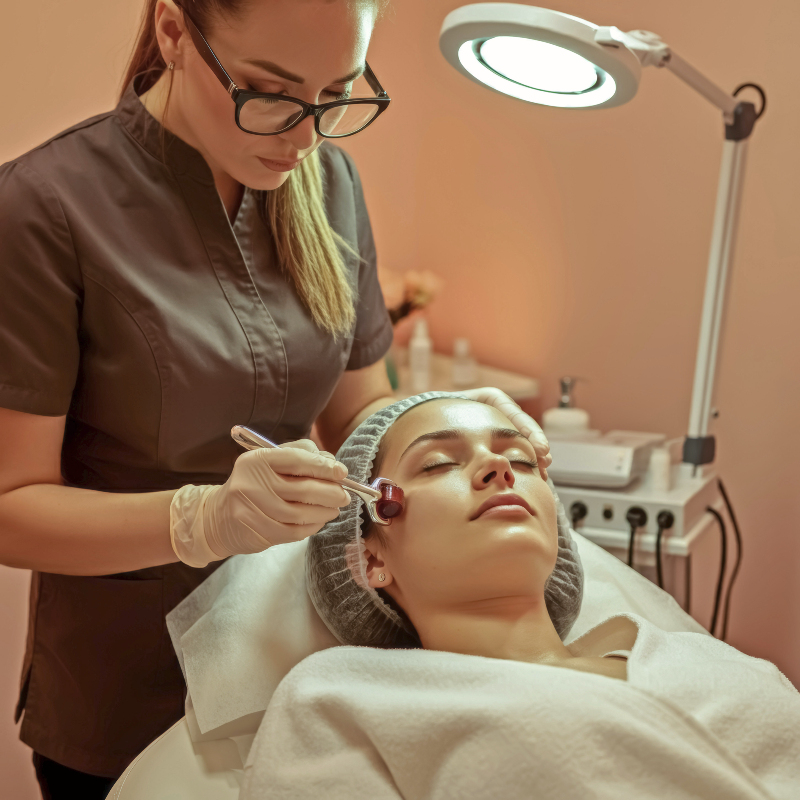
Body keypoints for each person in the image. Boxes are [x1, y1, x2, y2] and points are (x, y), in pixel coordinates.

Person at [0, 2, 553, 796]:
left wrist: (458, 428)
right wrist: (204, 519)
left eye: (337, 94)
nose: (304, 136)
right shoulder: (45, 209)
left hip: (302, 673)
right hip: (126, 703)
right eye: (271, 92)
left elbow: (361, 415)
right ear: (172, 31)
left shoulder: (326, 181)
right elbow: (11, 507)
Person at [243, 394, 800, 799]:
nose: (498, 466)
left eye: (523, 461)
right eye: (438, 463)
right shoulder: (340, 697)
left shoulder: (712, 662)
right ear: (370, 559)